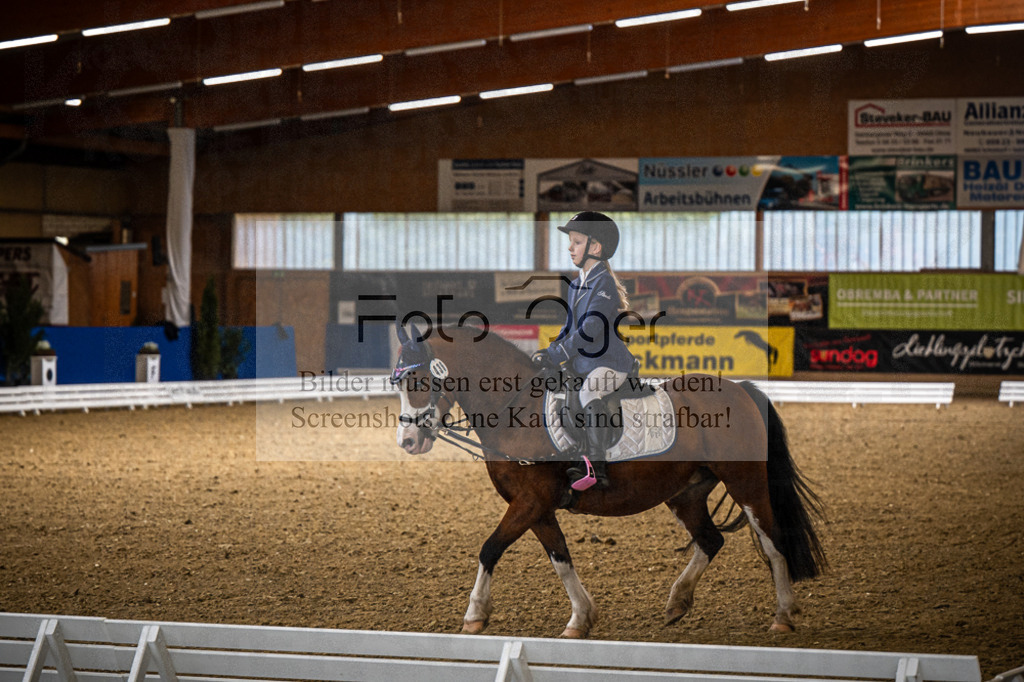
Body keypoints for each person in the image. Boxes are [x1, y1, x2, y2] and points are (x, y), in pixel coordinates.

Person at [532, 211, 635, 491]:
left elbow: (591, 328)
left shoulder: (603, 283)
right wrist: (551, 351)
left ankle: (597, 465)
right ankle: (578, 452)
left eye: (576, 242)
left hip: (609, 363)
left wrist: (560, 353)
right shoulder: (577, 284)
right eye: (571, 242)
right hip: (585, 362)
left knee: (590, 391)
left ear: (595, 247)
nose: (569, 247)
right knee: (563, 391)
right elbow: (570, 327)